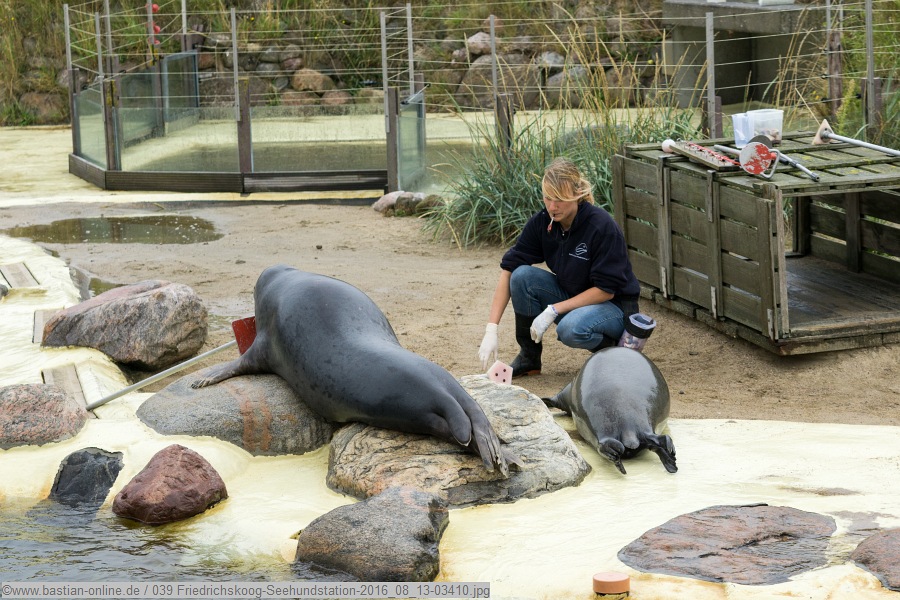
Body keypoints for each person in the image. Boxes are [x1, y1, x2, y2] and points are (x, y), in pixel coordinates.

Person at [478, 157, 641, 377]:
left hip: (615, 307)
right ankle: (529, 358)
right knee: (521, 276)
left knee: (570, 329)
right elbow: (509, 269)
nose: (552, 207)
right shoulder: (543, 222)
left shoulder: (601, 227)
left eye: (560, 199)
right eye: (548, 197)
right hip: (574, 295)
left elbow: (606, 290)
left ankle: (616, 352)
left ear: (577, 194)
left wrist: (553, 310)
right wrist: (491, 329)